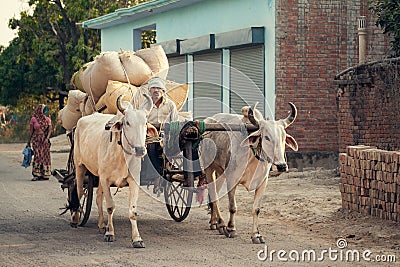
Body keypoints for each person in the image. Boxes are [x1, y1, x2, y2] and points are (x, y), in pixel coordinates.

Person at [27, 104, 52, 181]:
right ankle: (36, 174)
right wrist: (28, 142)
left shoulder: (47, 119)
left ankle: (45, 174)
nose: (45, 112)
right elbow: (31, 131)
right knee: (38, 156)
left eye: (45, 111)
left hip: (44, 140)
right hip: (36, 140)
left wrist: (47, 138)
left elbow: (50, 130)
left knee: (45, 156)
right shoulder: (33, 119)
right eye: (44, 111)